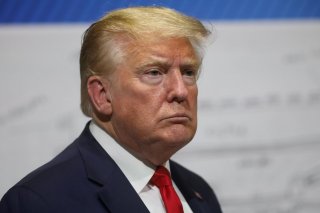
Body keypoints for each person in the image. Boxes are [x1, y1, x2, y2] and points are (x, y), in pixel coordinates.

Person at [0, 6, 222, 213]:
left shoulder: (199, 192)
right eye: (154, 73)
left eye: (188, 72)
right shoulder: (39, 202)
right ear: (102, 95)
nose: (181, 91)